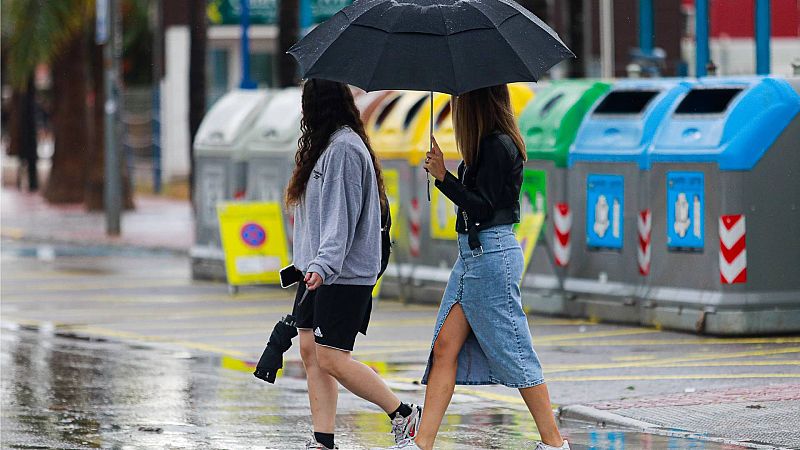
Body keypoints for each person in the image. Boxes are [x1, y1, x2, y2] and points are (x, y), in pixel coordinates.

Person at [389, 85, 569, 450]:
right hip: (473, 256)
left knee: (516, 350)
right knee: (445, 346)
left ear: (476, 103)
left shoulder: (497, 145)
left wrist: (443, 177)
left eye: (459, 101)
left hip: (490, 256)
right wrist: (446, 175)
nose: (455, 108)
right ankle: (422, 443)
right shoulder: (484, 146)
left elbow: (483, 207)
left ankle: (554, 443)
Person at [286, 79, 422, 450]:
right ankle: (323, 439)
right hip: (319, 269)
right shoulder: (326, 146)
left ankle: (403, 413)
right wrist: (307, 263)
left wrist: (323, 264)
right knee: (310, 351)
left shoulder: (344, 148)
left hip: (342, 273)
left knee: (331, 356)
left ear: (317, 106)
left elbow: (340, 217)